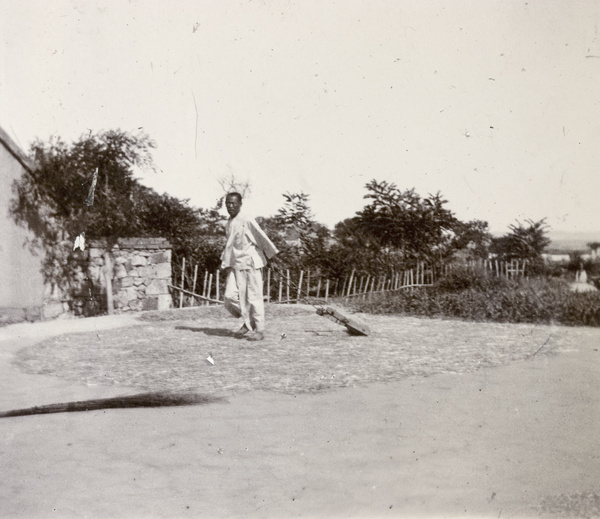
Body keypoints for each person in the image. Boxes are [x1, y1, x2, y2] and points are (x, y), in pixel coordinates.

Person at [221, 192, 278, 341]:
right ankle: (248, 321)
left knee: (254, 298)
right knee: (229, 297)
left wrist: (271, 256)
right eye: (228, 203)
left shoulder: (246, 219)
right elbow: (230, 246)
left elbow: (261, 237)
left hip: (251, 263)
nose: (230, 206)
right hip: (237, 264)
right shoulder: (228, 222)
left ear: (240, 204)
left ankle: (259, 330)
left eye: (233, 203)